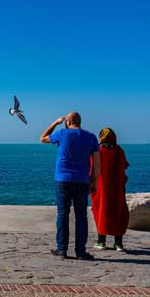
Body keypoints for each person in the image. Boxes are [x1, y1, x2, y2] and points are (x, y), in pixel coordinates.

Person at [40, 111, 100, 260]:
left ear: (67, 122)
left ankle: (62, 250)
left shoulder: (62, 133)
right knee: (81, 216)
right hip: (82, 180)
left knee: (63, 214)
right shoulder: (91, 137)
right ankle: (80, 251)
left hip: (63, 179)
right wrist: (94, 181)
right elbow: (97, 164)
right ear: (80, 121)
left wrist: (55, 122)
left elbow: (42, 138)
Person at [91, 128, 130, 252]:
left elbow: (91, 167)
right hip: (117, 188)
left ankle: (101, 241)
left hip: (101, 188)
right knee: (118, 212)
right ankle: (118, 243)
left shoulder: (97, 151)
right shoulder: (119, 151)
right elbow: (124, 166)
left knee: (101, 211)